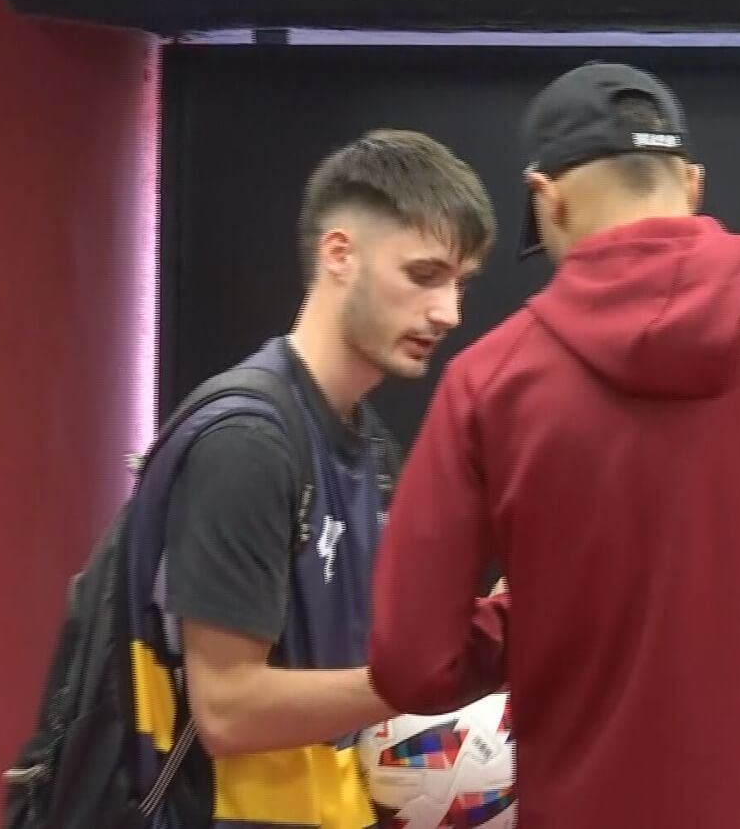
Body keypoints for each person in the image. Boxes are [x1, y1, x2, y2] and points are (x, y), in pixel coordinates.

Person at [366, 62, 740, 829]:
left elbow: (413, 662)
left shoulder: (489, 382)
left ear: (546, 198)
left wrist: (554, 609)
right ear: (690, 185)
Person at [127, 129, 494, 828]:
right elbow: (228, 711)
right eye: (424, 275)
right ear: (339, 255)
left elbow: (357, 673)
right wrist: (424, 683)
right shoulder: (250, 441)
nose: (449, 313)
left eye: (459, 283)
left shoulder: (369, 448)